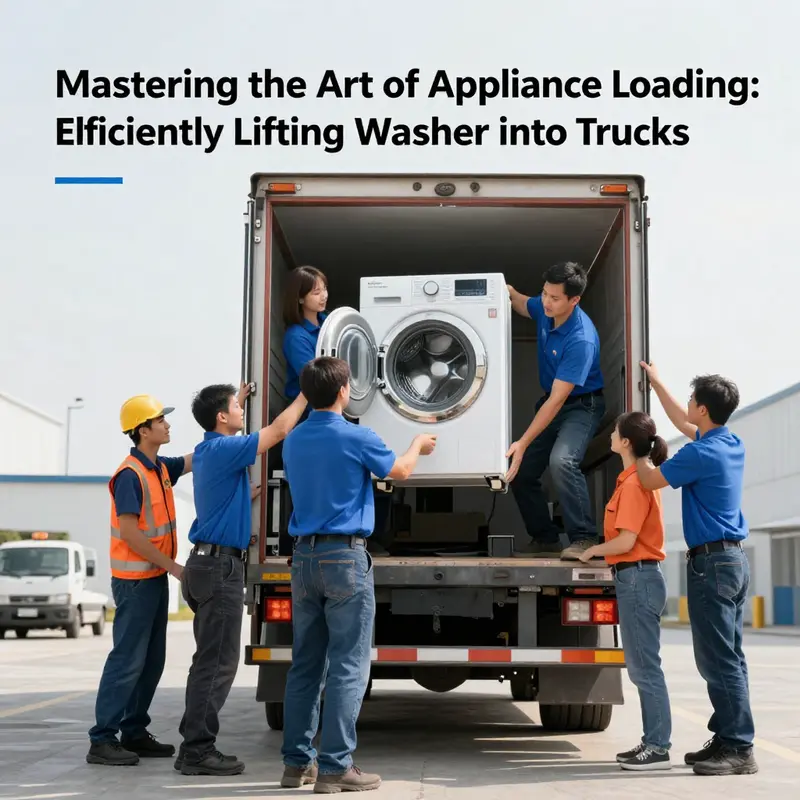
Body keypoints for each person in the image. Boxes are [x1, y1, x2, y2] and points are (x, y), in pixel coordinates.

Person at [279, 357, 436, 793]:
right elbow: (399, 472)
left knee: (305, 665)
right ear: (345, 390)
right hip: (345, 559)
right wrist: (417, 444)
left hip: (304, 559)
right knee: (348, 665)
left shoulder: (292, 442)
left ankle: (296, 765)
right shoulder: (355, 435)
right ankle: (335, 769)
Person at [176, 382, 308, 776]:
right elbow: (280, 431)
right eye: (235, 407)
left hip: (207, 565)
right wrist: (307, 392)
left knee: (209, 662)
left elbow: (233, 437)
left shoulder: (209, 451)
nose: (240, 410)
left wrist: (240, 400)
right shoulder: (223, 450)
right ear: (221, 417)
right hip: (219, 570)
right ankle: (197, 750)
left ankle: (194, 745)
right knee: (216, 664)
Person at [635, 363, 757, 776]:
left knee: (718, 660)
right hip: (731, 560)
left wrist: (635, 450)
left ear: (702, 410)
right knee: (729, 657)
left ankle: (739, 748)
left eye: (691, 401)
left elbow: (650, 482)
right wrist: (656, 384)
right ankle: (727, 738)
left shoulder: (700, 453)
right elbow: (679, 419)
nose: (686, 406)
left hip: (713, 564)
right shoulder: (728, 442)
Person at [87, 395, 192, 766]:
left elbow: (198, 459)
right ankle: (102, 739)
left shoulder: (159, 468)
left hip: (153, 579)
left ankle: (133, 731)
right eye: (160, 420)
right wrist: (175, 566)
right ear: (143, 430)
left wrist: (229, 425)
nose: (167, 424)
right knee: (127, 661)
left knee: (151, 661)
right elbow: (132, 535)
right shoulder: (130, 475)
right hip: (135, 583)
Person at [579, 411, 672, 771]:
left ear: (627, 443)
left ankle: (658, 748)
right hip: (638, 578)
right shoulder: (632, 480)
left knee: (645, 668)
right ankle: (652, 742)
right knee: (642, 667)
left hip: (638, 578)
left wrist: (591, 551)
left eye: (615, 433)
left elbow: (626, 541)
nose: (610, 438)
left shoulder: (634, 485)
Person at [506, 261, 606, 560]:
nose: (546, 302)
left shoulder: (581, 340)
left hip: (581, 406)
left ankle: (584, 538)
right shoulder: (545, 309)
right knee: (519, 472)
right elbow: (525, 304)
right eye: (545, 293)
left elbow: (556, 401)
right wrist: (504, 291)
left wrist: (522, 442)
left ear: (574, 300)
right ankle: (546, 538)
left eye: (555, 298)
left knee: (562, 460)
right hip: (554, 400)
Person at [282, 265, 329, 417]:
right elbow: (314, 380)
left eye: (325, 289)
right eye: (317, 292)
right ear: (300, 298)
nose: (324, 296)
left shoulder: (329, 323)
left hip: (330, 409)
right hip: (307, 414)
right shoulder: (296, 337)